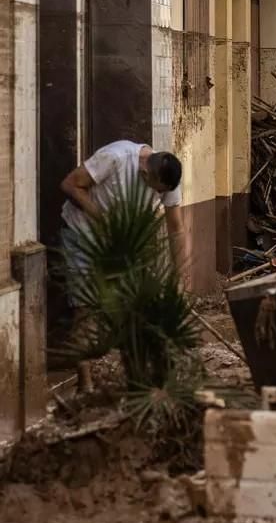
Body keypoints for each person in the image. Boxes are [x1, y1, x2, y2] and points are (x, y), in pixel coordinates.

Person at [59, 141, 186, 391]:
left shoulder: (169, 179)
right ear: (144, 174)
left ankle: (138, 377)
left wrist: (179, 278)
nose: (159, 196)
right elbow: (69, 184)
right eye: (156, 190)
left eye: (162, 193)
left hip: (123, 243)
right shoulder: (115, 158)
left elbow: (176, 228)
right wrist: (105, 222)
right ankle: (85, 383)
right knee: (86, 307)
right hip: (83, 233)